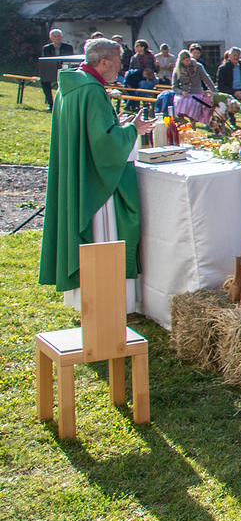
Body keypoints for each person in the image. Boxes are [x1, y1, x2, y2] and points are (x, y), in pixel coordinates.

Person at [40, 38, 151, 315]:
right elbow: (104, 143)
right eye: (117, 62)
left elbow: (90, 132)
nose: (120, 67)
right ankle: (107, 303)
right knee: (103, 238)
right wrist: (133, 130)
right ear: (103, 62)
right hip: (95, 181)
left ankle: (87, 299)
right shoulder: (92, 90)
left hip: (80, 172)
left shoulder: (72, 85)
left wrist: (117, 125)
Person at [171, 49, 215, 123]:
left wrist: (214, 91)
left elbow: (207, 80)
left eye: (189, 60)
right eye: (186, 61)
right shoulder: (177, 70)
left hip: (196, 92)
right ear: (181, 61)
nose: (189, 62)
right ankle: (181, 124)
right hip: (184, 93)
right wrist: (181, 92)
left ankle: (193, 125)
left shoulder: (198, 66)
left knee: (192, 102)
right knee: (179, 101)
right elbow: (174, 86)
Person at [40, 29, 75, 110]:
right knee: (44, 81)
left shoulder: (68, 47)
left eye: (58, 36)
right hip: (51, 71)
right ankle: (51, 103)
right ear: (51, 38)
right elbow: (46, 61)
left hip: (64, 71)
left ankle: (63, 103)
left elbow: (70, 60)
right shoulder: (46, 48)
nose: (57, 38)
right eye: (55, 36)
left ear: (61, 37)